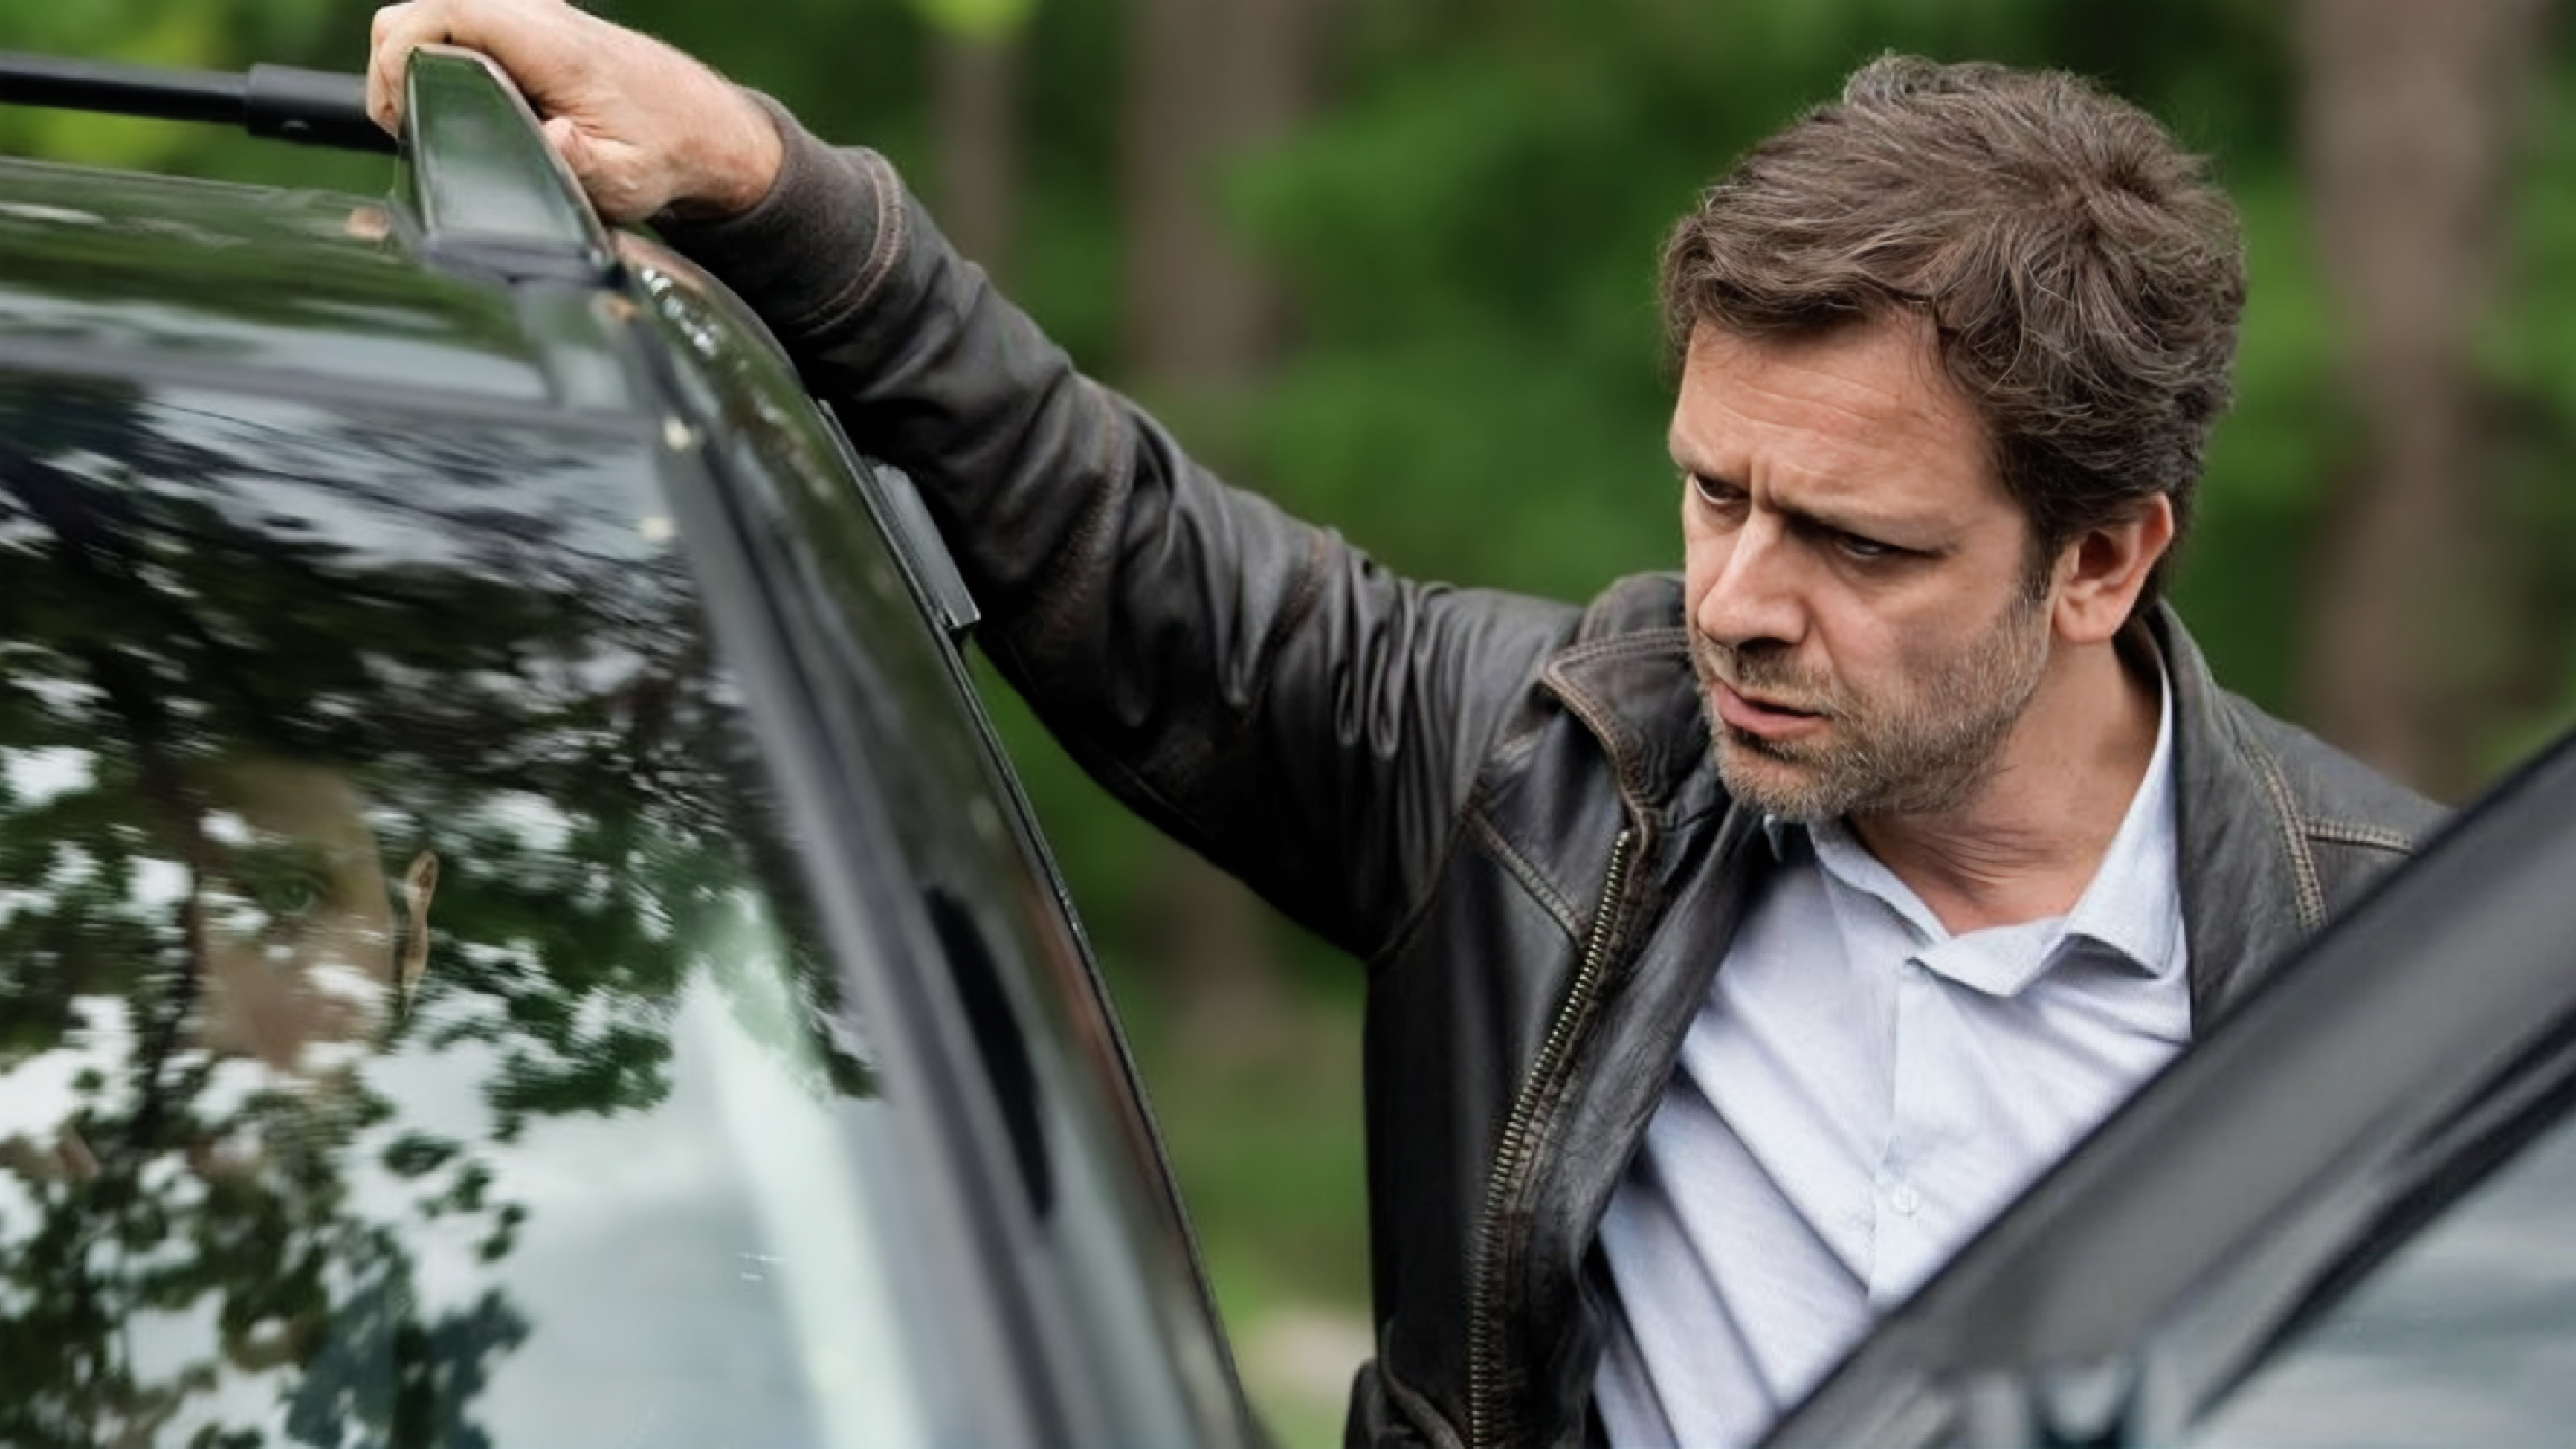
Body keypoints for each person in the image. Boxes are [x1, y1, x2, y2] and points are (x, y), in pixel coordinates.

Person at [365, 6, 2443, 1445]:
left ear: (2102, 560)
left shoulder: (2403, 983)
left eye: (1854, 543)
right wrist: (770, 182)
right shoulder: (1552, 771)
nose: (1738, 598)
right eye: (1715, 492)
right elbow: (1120, 543)